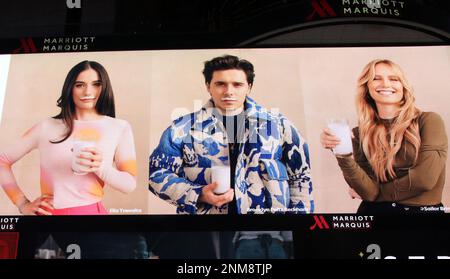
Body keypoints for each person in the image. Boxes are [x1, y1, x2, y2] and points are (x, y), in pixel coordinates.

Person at [149, 55, 313, 214]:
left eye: (237, 84)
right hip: (204, 233)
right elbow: (156, 174)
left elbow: (301, 177)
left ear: (249, 87)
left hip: (266, 232)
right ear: (208, 86)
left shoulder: (278, 125)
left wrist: (298, 225)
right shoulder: (182, 128)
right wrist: (198, 194)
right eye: (221, 84)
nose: (229, 91)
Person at [0, 60, 137, 215]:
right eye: (80, 85)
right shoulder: (46, 126)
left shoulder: (119, 127)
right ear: (70, 88)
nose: (87, 92)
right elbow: (2, 160)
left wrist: (101, 168)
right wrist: (22, 204)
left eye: (96, 84)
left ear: (104, 87)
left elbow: (129, 185)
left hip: (93, 218)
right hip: (48, 219)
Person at [320, 59, 448, 214]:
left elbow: (424, 179)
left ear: (403, 87)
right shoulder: (359, 133)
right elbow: (366, 190)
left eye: (394, 79)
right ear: (367, 87)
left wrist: (377, 194)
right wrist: (341, 153)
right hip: (374, 216)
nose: (386, 84)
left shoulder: (428, 121)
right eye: (376, 78)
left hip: (422, 218)